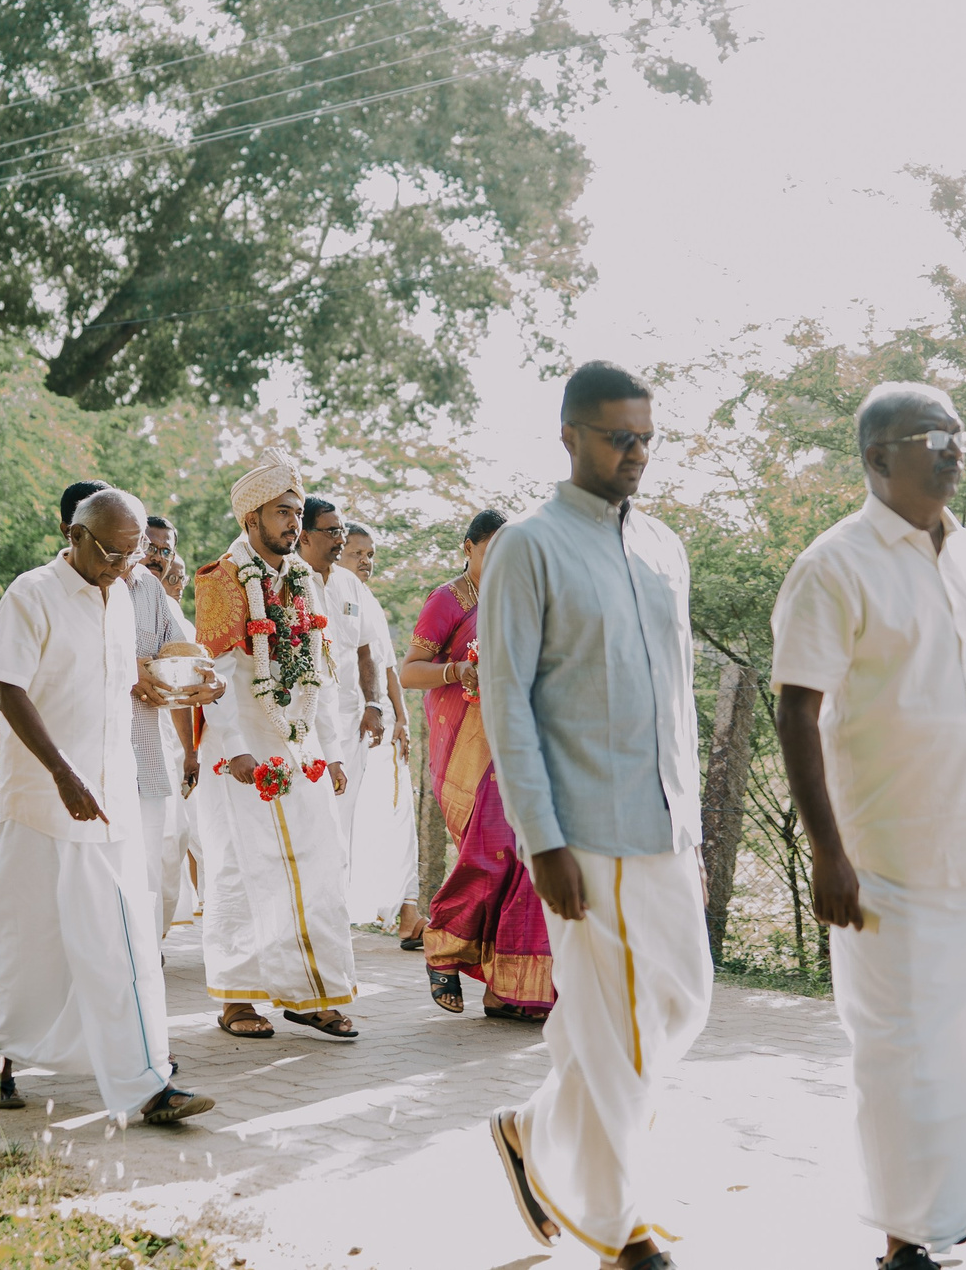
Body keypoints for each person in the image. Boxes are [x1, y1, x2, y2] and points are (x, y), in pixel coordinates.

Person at [771, 383, 966, 1270]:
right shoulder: (835, 564)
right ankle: (906, 1237)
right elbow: (796, 710)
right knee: (904, 1055)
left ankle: (946, 1206)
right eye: (930, 435)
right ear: (876, 457)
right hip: (887, 856)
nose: (953, 448)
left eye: (958, 433)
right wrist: (828, 851)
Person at [478, 362, 705, 1269]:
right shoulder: (529, 546)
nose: (635, 452)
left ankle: (534, 1131)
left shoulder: (664, 545)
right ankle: (622, 1227)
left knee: (679, 1003)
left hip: (666, 825)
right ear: (569, 435)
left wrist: (688, 815)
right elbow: (507, 701)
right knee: (615, 1026)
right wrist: (544, 840)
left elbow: (676, 694)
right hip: (583, 831)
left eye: (646, 436)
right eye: (618, 436)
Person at [0, 486, 215, 1124]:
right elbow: (8, 689)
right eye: (112, 553)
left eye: (134, 555)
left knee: (122, 936)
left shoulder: (125, 595)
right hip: (42, 797)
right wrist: (61, 773)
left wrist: (190, 688)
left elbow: (132, 687)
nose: (123, 567)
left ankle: (147, 1082)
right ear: (72, 534)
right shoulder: (32, 593)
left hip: (112, 804)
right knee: (27, 937)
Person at [191, 451, 361, 1040]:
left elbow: (324, 671)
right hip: (239, 752)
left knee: (317, 867)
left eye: (296, 512)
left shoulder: (305, 581)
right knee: (240, 870)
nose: (294, 523)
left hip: (301, 745)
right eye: (282, 513)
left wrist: (333, 751)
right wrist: (236, 747)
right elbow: (213, 674)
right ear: (250, 519)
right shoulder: (221, 580)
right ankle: (238, 1000)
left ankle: (313, 993)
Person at [404, 509, 554, 1017]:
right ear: (467, 548)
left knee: (531, 864)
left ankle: (508, 989)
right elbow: (410, 672)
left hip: (523, 745)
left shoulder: (524, 598)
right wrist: (458, 668)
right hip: (470, 749)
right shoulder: (448, 600)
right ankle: (443, 947)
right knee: (492, 857)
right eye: (493, 551)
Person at [123, 512, 217, 926]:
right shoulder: (106, 591)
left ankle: (146, 942)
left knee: (168, 842)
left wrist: (190, 750)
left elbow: (183, 685)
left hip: (157, 743)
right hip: (108, 738)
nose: (157, 558)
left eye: (166, 551)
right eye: (151, 547)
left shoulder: (165, 606)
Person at [340, 523, 422, 936]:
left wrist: (402, 718)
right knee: (358, 818)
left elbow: (388, 666)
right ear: (338, 552)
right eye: (357, 553)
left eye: (371, 554)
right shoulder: (330, 592)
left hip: (382, 724)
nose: (366, 561)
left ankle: (407, 911)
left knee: (396, 814)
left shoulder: (368, 600)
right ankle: (351, 907)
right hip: (348, 723)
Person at [297, 498, 384, 869]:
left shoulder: (351, 585)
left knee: (341, 822)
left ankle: (334, 913)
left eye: (341, 531)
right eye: (331, 531)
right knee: (307, 821)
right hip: (305, 725)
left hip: (351, 724)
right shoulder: (289, 580)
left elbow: (366, 652)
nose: (339, 538)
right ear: (304, 536)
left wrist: (374, 705)